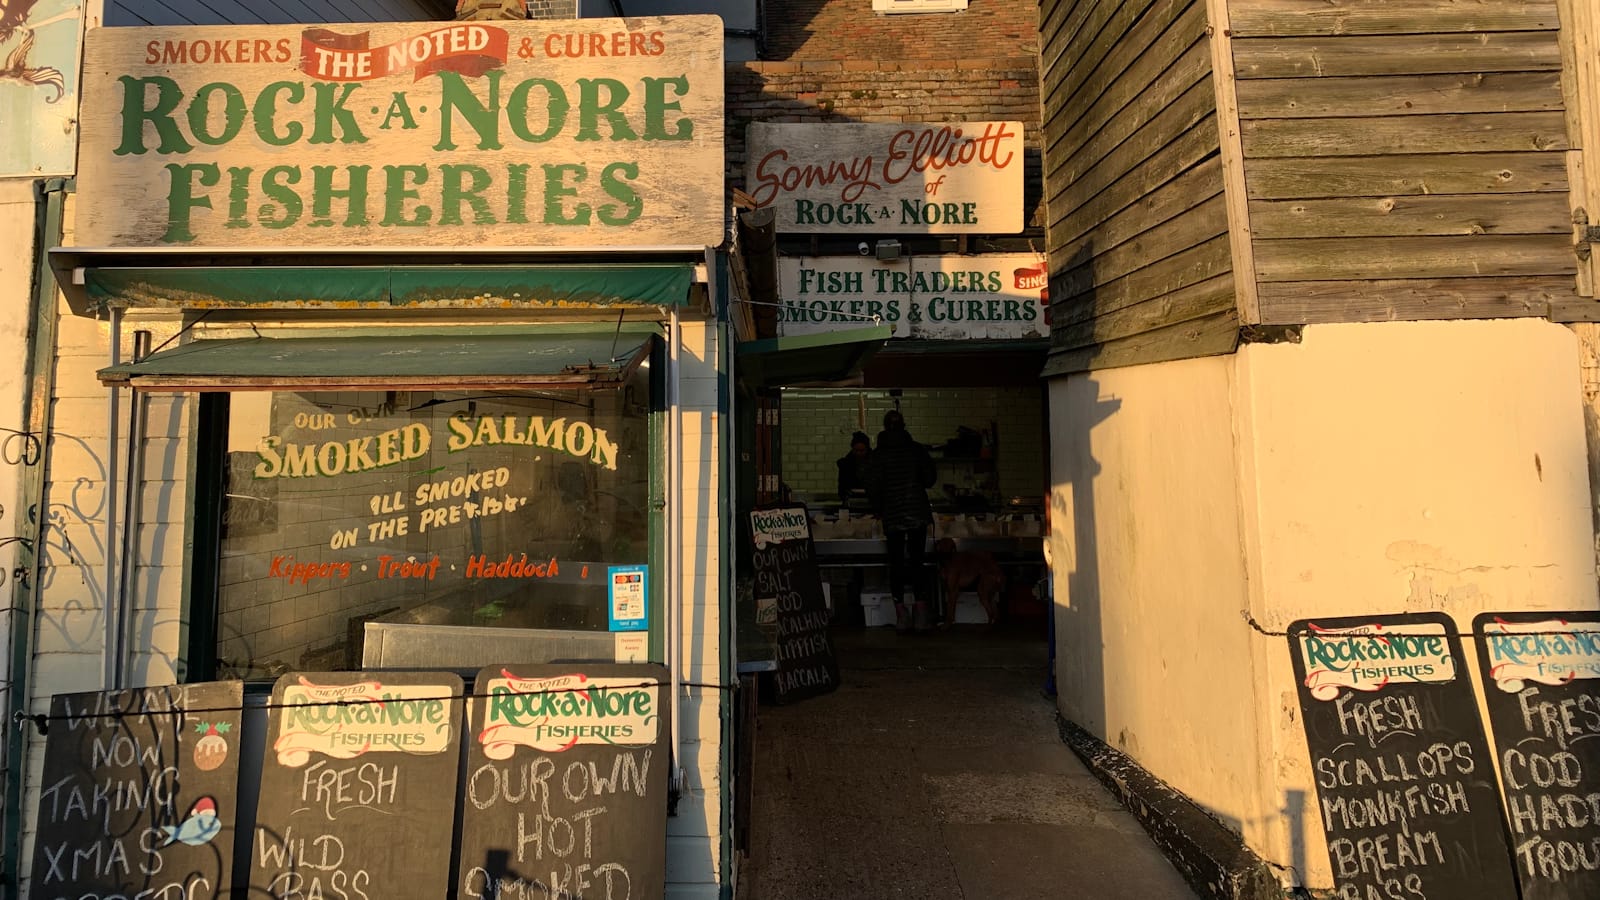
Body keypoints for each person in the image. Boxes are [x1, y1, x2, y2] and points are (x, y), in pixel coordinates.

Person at [866, 410, 936, 633]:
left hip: (893, 515)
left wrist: (879, 509)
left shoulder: (878, 455)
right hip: (917, 513)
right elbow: (930, 479)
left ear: (885, 427)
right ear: (904, 426)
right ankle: (921, 614)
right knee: (918, 562)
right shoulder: (916, 450)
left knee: (896, 563)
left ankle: (901, 615)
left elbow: (872, 487)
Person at [836, 431, 872, 502]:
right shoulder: (845, 465)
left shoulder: (845, 464)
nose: (858, 453)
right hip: (853, 501)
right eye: (856, 450)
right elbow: (841, 489)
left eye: (861, 451)